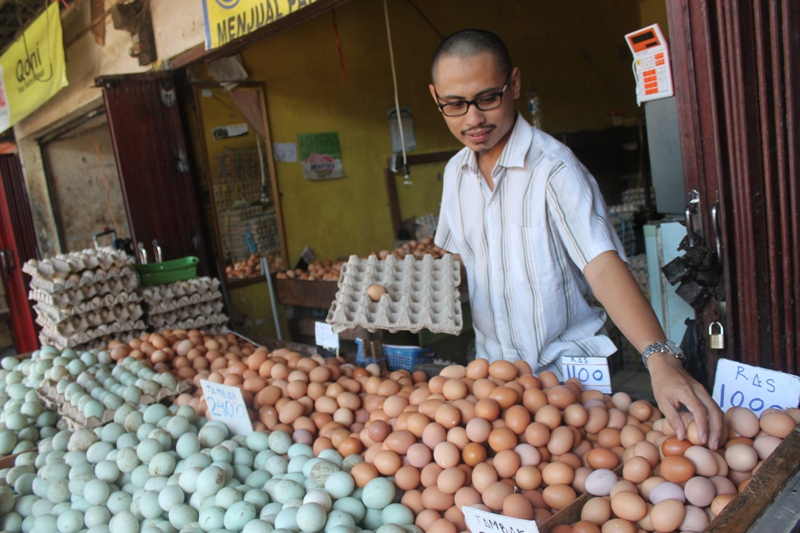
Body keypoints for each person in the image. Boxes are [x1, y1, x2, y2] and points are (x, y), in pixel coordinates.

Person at [430, 29, 724, 449]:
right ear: (435, 97)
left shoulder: (553, 169)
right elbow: (461, 261)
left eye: (488, 98)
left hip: (568, 380)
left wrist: (660, 360)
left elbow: (602, 264)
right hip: (496, 382)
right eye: (455, 105)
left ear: (513, 84)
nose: (473, 119)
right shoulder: (455, 176)